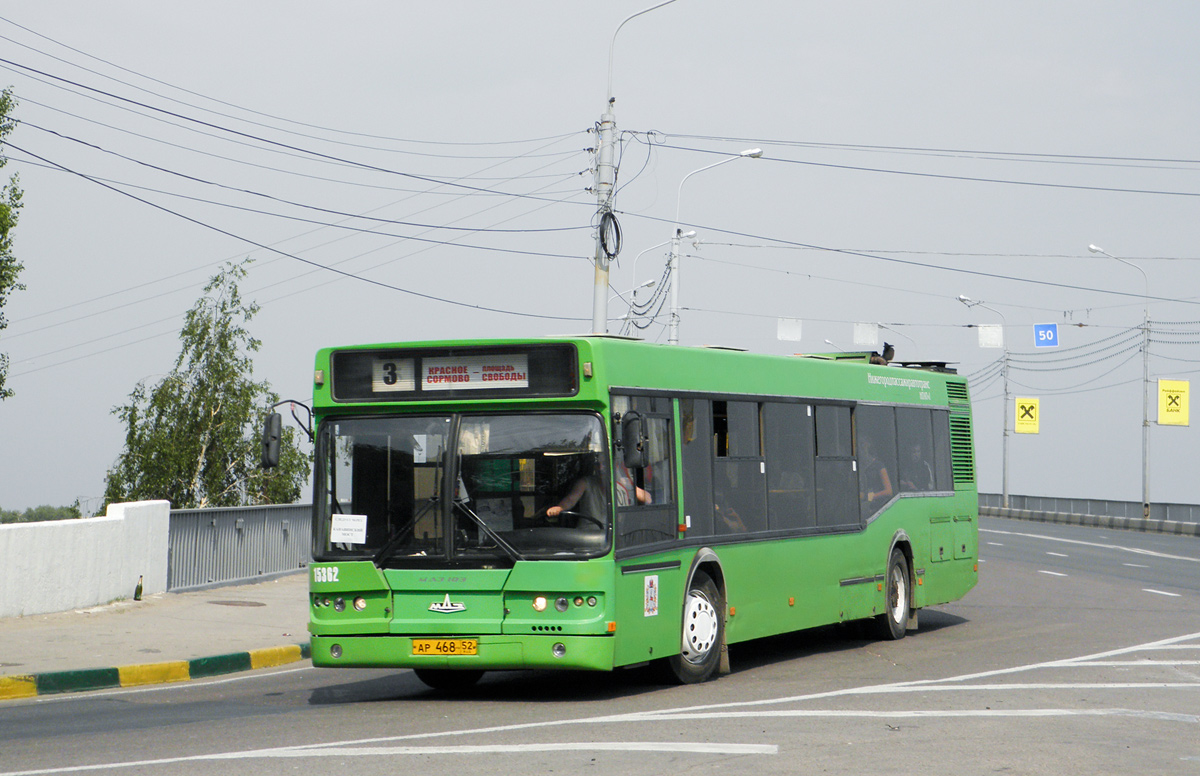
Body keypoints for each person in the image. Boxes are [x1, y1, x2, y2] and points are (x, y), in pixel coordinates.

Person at [859, 437, 894, 505]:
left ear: (868, 446)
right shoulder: (856, 467)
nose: (861, 448)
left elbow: (889, 491)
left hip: (877, 506)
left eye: (862, 445)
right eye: (859, 446)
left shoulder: (879, 465)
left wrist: (868, 497)